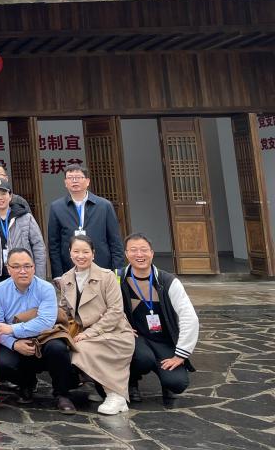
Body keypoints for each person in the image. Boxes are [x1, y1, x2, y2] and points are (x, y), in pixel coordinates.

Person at [57, 235, 135, 415]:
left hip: (112, 330)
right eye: (76, 251)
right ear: (70, 253)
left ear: (93, 254)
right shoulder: (66, 278)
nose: (81, 256)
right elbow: (64, 310)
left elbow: (116, 311)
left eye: (85, 252)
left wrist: (90, 332)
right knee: (64, 348)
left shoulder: (107, 276)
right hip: (81, 331)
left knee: (81, 349)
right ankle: (107, 392)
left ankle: (115, 394)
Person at [0, 247, 76, 413]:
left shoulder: (46, 288)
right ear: (8, 269)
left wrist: (12, 329)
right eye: (16, 266)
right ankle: (26, 384)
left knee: (58, 349)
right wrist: (14, 344)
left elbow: (46, 322)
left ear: (34, 267)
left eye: (27, 266)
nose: (22, 271)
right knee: (2, 362)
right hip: (15, 339)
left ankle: (62, 394)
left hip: (44, 337)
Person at [120, 233, 199, 408]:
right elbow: (105, 307)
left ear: (152, 253)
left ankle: (166, 381)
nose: (139, 254)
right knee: (142, 359)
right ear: (126, 254)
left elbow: (189, 317)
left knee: (177, 383)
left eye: (144, 250)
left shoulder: (167, 281)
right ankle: (131, 382)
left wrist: (181, 354)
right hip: (135, 338)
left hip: (163, 339)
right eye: (133, 250)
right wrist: (120, 325)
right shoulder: (118, 278)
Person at [48, 164, 124, 277]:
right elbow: (54, 245)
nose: (74, 181)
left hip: (102, 268)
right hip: (70, 269)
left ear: (87, 181)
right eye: (70, 178)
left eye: (78, 177)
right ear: (65, 183)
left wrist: (118, 274)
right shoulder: (57, 207)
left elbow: (115, 242)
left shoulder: (104, 206)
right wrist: (58, 275)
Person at [0, 177, 47, 286]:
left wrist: (40, 278)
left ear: (10, 196)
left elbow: (39, 247)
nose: (0, 198)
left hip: (24, 274)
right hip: (0, 277)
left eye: (3, 193)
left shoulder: (25, 217)